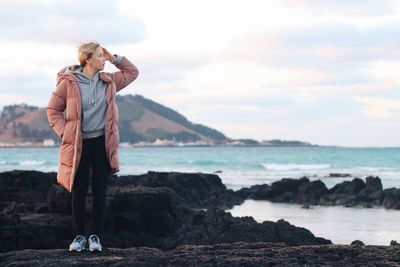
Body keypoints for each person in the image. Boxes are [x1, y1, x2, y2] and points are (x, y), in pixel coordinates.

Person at [47, 41, 139, 252]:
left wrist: (114, 56)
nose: (104, 59)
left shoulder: (110, 81)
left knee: (100, 190)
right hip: (79, 144)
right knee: (78, 190)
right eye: (100, 55)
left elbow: (132, 72)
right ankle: (79, 237)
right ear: (87, 59)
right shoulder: (69, 83)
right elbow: (53, 110)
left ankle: (95, 237)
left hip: (101, 144)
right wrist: (65, 132)